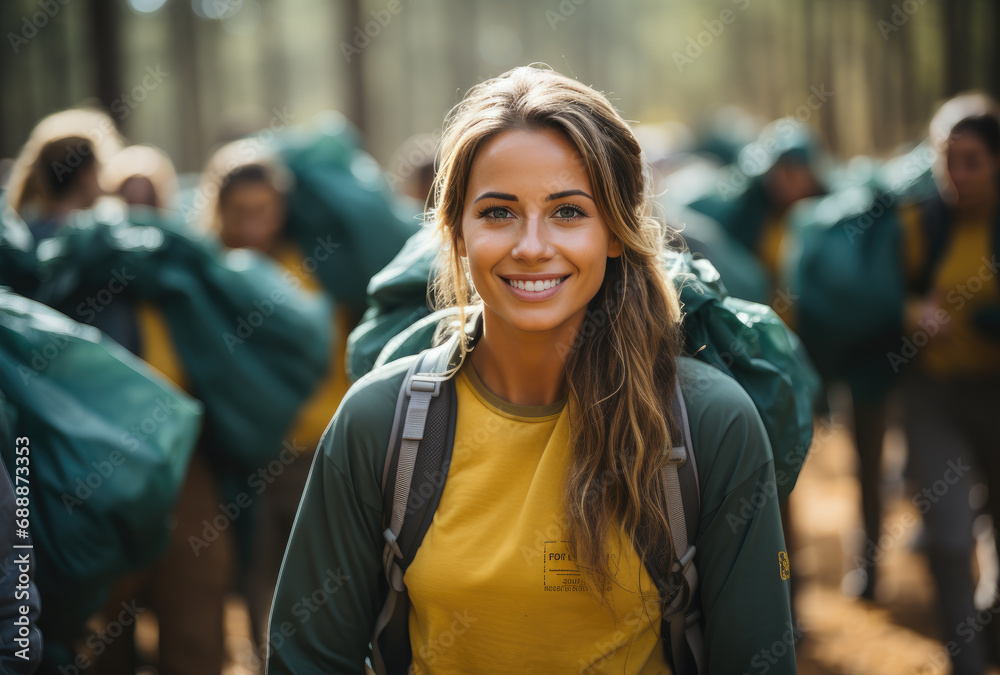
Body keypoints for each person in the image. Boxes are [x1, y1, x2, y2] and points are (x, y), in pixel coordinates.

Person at [267, 66, 795, 674]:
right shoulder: (377, 423)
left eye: (569, 212)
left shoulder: (709, 425)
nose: (532, 246)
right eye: (498, 213)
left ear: (616, 234)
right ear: (456, 233)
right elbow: (306, 661)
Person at [896, 95, 1000, 675]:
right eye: (946, 160)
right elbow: (884, 299)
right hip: (934, 398)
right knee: (951, 539)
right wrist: (912, 313)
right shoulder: (920, 223)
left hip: (996, 393)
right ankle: (966, 660)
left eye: (972, 161)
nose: (956, 176)